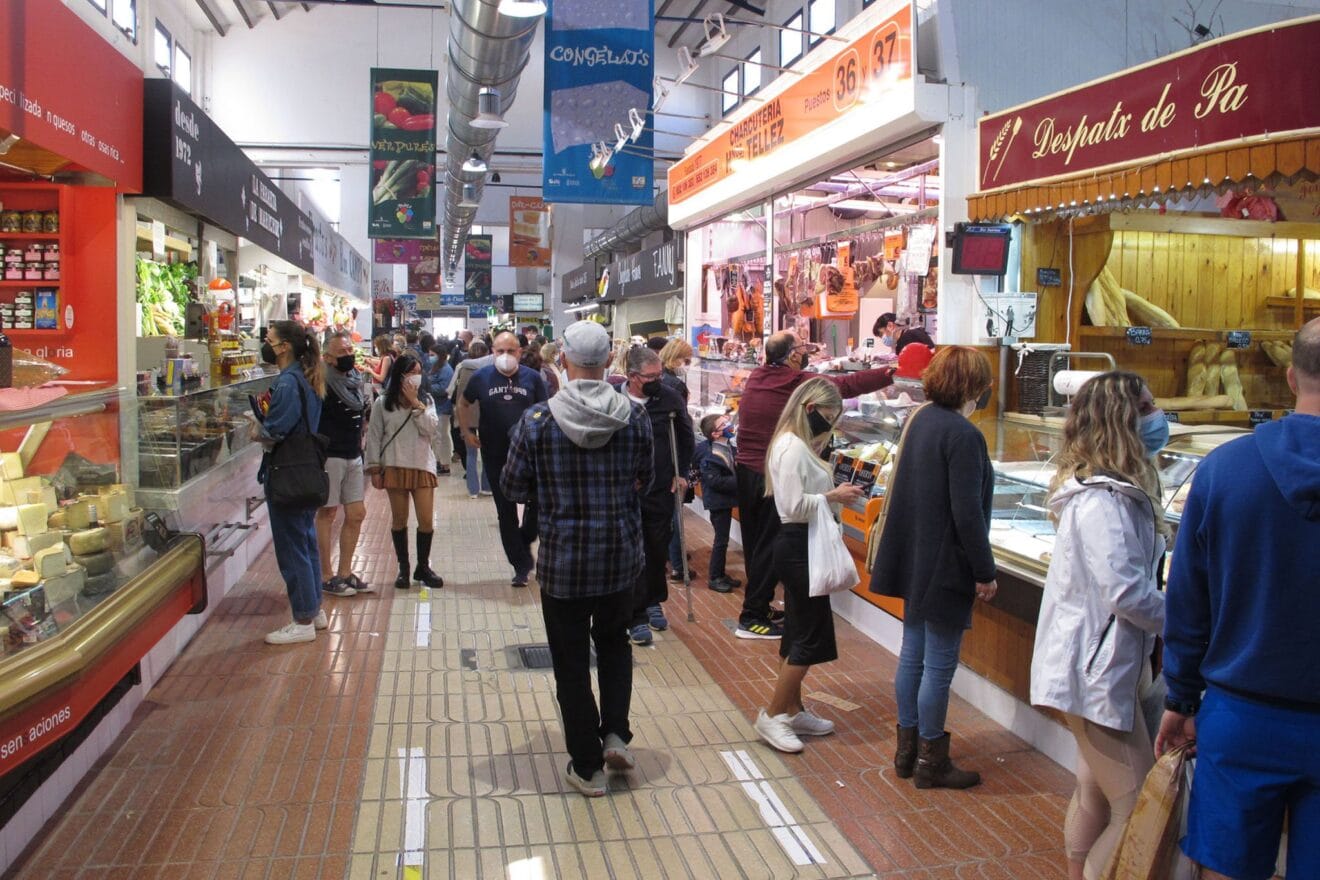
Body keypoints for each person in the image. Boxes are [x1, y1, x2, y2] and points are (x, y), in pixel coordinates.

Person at [1155, 317, 1320, 880]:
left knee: (1227, 869)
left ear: (1292, 377)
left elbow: (1187, 598)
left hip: (1241, 712)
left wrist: (1180, 695)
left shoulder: (1225, 469)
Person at [500, 321, 654, 797]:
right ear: (609, 361)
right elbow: (645, 481)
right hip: (619, 558)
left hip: (564, 563)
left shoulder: (537, 421)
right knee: (614, 647)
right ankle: (615, 735)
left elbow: (512, 487)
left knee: (570, 662)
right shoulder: (635, 416)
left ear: (562, 360)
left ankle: (585, 766)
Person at [1030, 372, 1169, 880]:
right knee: (1135, 805)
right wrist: (1185, 617)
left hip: (1101, 663)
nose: (1160, 417)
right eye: (1149, 407)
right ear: (1123, 421)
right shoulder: (1101, 502)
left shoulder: (1112, 493)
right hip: (1094, 668)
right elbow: (1127, 593)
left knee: (1093, 789)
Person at [869, 346, 996, 789]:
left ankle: (905, 752)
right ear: (974, 386)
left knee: (912, 656)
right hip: (946, 565)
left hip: (915, 556)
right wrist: (984, 570)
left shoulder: (920, 419)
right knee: (939, 667)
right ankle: (931, 760)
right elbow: (967, 513)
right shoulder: (964, 435)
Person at [734, 331, 895, 640]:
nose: (805, 353)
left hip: (747, 470)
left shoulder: (757, 376)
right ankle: (751, 616)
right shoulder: (796, 384)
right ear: (793, 355)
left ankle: (760, 605)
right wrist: (890, 373)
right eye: (802, 348)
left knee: (756, 544)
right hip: (769, 474)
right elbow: (845, 386)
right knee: (769, 547)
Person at [753, 379, 862, 752]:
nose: (830, 426)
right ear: (811, 408)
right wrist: (834, 495)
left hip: (801, 546)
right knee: (809, 636)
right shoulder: (792, 448)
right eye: (828, 418)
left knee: (797, 631)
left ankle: (793, 710)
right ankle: (772, 715)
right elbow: (795, 506)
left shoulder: (795, 444)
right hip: (799, 546)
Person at [255, 321, 328, 645]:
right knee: (306, 541)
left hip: (287, 472)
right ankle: (315, 609)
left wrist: (255, 429)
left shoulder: (287, 384)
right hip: (306, 469)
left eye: (269, 340)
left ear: (284, 347)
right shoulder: (307, 378)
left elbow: (275, 431)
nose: (265, 344)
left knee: (293, 547)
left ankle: (302, 620)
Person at [458, 331, 549, 587]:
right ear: (492, 352)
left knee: (537, 503)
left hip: (529, 453)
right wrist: (466, 432)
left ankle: (525, 540)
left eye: (511, 351)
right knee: (505, 509)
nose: (505, 356)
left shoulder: (533, 379)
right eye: (500, 351)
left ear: (520, 352)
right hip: (495, 452)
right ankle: (520, 565)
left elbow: (546, 410)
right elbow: (462, 404)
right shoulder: (481, 377)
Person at [618, 346, 693, 645]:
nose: (657, 380)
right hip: (623, 488)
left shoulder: (669, 399)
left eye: (660, 374)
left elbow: (685, 438)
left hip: (660, 486)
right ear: (632, 376)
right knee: (630, 549)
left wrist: (682, 471)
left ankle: (652, 600)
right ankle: (635, 613)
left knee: (656, 545)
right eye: (651, 376)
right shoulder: (614, 399)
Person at [364, 355, 445, 590]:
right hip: (395, 465)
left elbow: (430, 429)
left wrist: (416, 404)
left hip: (422, 465)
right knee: (399, 519)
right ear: (399, 375)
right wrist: (375, 469)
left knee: (426, 521)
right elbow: (375, 436)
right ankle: (404, 568)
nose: (415, 377)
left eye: (419, 371)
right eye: (411, 372)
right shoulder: (383, 402)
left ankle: (423, 567)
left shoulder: (426, 400)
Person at [316, 331, 372, 597]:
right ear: (327, 357)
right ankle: (326, 575)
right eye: (341, 353)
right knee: (327, 513)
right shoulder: (320, 381)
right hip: (330, 455)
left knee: (357, 513)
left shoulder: (354, 379)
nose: (348, 356)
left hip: (353, 453)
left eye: (350, 350)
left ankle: (345, 571)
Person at [659, 338, 694, 580]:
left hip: (657, 453)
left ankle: (662, 557)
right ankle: (679, 565)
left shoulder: (657, 378)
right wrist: (683, 466)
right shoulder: (675, 385)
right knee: (674, 513)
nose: (687, 364)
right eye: (686, 359)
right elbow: (682, 427)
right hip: (672, 455)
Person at [696, 414, 741, 593]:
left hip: (726, 500)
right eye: (724, 424)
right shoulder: (710, 455)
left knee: (723, 540)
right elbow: (715, 481)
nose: (730, 425)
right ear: (715, 434)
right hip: (718, 502)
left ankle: (721, 573)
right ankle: (715, 577)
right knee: (721, 541)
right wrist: (741, 482)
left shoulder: (727, 446)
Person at [449, 339, 492, 497]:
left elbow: (452, 390)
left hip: (466, 413)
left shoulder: (462, 367)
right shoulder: (490, 369)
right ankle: (487, 487)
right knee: (488, 452)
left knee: (471, 454)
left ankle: (472, 490)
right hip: (487, 413)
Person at [430, 342, 455, 476]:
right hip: (437, 406)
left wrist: (427, 386)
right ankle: (440, 461)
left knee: (442, 436)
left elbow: (444, 389)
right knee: (437, 437)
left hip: (443, 407)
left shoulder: (446, 369)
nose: (430, 357)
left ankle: (444, 464)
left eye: (432, 355)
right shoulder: (437, 367)